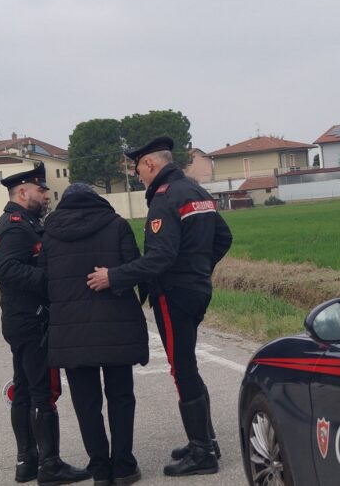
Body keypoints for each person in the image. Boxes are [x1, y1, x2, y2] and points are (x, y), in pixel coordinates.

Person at [86, 136, 232, 477]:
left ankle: (202, 453)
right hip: (196, 289)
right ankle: (206, 439)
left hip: (174, 293)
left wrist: (114, 276)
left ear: (151, 163)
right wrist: (199, 271)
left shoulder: (166, 199)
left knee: (182, 369)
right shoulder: (196, 191)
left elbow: (159, 258)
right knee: (189, 365)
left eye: (138, 168)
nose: (138, 176)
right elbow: (224, 238)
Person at [0, 163, 91, 485]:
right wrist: (50, 281)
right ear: (22, 192)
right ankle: (50, 465)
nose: (45, 195)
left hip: (18, 320)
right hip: (31, 322)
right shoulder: (17, 227)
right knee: (41, 394)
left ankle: (26, 462)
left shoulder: (20, 223)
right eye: (40, 190)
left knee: (23, 393)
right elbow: (5, 269)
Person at [40, 183, 149, 486]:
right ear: (96, 200)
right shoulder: (117, 225)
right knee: (121, 396)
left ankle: (100, 469)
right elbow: (135, 269)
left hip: (72, 333)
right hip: (117, 328)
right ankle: (124, 465)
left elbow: (44, 278)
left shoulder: (50, 234)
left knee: (86, 403)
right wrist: (112, 280)